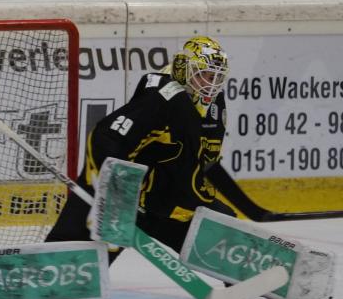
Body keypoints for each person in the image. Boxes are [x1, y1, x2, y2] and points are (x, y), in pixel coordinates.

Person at [47, 36, 234, 262]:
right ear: (185, 68)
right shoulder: (162, 96)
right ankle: (40, 273)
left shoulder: (214, 103)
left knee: (229, 237)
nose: (210, 84)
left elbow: (203, 161)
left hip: (168, 207)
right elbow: (107, 136)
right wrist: (109, 189)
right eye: (205, 74)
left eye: (216, 77)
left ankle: (248, 271)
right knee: (78, 266)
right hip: (126, 201)